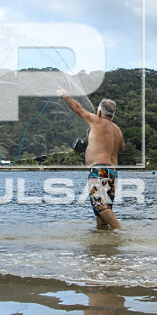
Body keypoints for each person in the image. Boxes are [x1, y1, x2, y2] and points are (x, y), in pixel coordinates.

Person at [56, 89, 125, 229]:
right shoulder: (117, 130)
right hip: (112, 172)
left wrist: (65, 95)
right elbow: (121, 148)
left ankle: (122, 232)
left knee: (100, 206)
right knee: (102, 213)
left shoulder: (96, 121)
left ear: (99, 112)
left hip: (100, 170)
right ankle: (104, 246)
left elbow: (77, 108)